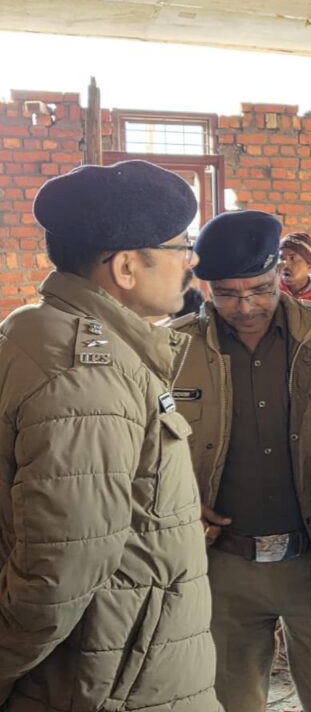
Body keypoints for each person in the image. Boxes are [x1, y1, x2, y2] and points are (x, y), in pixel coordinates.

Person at [0, 160, 219, 710]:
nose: (190, 262)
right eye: (180, 246)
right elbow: (59, 573)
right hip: (114, 683)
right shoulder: (87, 377)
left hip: (114, 667)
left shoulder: (42, 332)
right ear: (125, 267)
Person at [172, 210, 311, 712]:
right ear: (205, 286)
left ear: (280, 270)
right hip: (221, 565)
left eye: (259, 289)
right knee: (228, 701)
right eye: (227, 294)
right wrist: (179, 500)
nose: (246, 306)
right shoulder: (174, 347)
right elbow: (147, 449)